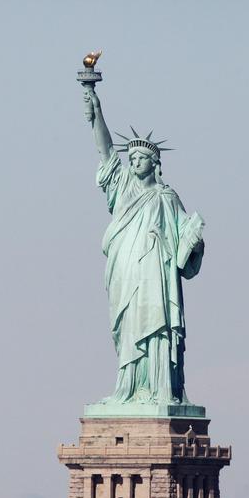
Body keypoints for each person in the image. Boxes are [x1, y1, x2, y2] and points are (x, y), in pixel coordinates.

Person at [82, 86, 205, 406]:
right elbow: (106, 152)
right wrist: (97, 113)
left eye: (141, 158)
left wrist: (195, 243)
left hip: (156, 276)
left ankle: (161, 388)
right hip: (125, 271)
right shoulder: (121, 186)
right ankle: (130, 386)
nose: (134, 162)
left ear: (154, 163)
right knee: (128, 327)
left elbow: (185, 244)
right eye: (132, 157)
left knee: (158, 328)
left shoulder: (167, 197)